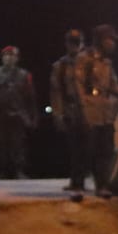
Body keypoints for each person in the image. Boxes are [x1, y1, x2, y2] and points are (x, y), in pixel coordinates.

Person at [80, 24, 118, 198]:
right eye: (111, 40)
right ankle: (89, 184)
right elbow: (77, 86)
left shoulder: (107, 63)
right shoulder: (84, 59)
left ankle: (103, 185)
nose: (113, 44)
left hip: (105, 112)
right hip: (90, 111)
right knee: (91, 149)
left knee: (106, 149)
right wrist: (82, 111)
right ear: (101, 40)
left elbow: (112, 86)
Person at [0, 45, 37, 179]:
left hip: (18, 114)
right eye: (6, 55)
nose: (9, 58)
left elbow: (30, 97)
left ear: (17, 58)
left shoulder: (24, 75)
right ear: (2, 58)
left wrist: (32, 116)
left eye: (12, 55)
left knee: (18, 143)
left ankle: (19, 170)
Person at [50, 29, 90, 194]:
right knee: (74, 147)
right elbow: (56, 91)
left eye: (77, 42)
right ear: (66, 44)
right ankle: (76, 181)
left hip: (89, 110)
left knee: (88, 147)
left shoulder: (89, 63)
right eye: (71, 42)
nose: (74, 46)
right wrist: (58, 113)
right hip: (71, 110)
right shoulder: (60, 66)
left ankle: (86, 180)